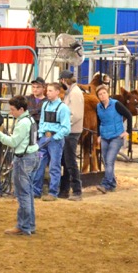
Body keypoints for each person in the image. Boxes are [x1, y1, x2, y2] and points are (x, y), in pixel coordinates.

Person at [0, 96, 40, 235]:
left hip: (24, 159)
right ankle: (29, 225)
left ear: (21, 109)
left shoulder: (22, 123)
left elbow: (12, 142)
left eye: (13, 110)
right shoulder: (30, 119)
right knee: (28, 193)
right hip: (31, 157)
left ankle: (24, 226)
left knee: (23, 194)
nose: (11, 112)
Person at [33, 82, 70, 201]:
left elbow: (66, 128)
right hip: (44, 138)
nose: (47, 93)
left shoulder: (63, 108)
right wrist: (41, 134)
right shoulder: (45, 105)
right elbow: (42, 121)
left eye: (50, 91)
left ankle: (53, 192)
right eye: (47, 91)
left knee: (54, 166)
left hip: (55, 140)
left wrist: (56, 137)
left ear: (57, 92)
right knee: (39, 165)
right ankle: (36, 191)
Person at [94, 85, 132, 193]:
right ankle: (112, 184)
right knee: (106, 161)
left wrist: (127, 131)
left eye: (104, 93)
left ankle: (105, 184)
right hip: (104, 137)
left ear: (108, 93)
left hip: (116, 136)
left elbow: (128, 115)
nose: (102, 96)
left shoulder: (116, 104)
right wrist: (98, 135)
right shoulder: (98, 107)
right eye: (100, 94)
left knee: (109, 160)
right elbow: (98, 121)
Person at [57, 70, 84, 201]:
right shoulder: (71, 92)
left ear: (64, 80)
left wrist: (64, 125)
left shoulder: (75, 93)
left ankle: (77, 191)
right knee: (66, 160)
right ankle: (65, 190)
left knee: (70, 161)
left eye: (60, 80)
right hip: (69, 130)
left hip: (72, 131)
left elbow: (76, 114)